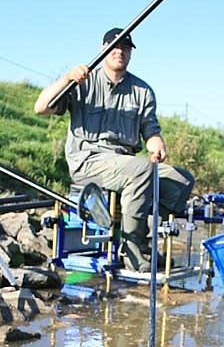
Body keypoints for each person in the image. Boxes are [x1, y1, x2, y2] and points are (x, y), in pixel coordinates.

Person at [34, 28, 195, 272]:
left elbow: (150, 131)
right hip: (88, 161)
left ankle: (141, 241)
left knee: (181, 180)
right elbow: (41, 107)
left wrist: (157, 145)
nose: (119, 51)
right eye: (114, 46)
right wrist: (67, 78)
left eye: (125, 47)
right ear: (103, 49)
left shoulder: (143, 91)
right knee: (141, 170)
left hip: (126, 164)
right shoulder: (82, 83)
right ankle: (132, 252)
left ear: (130, 53)